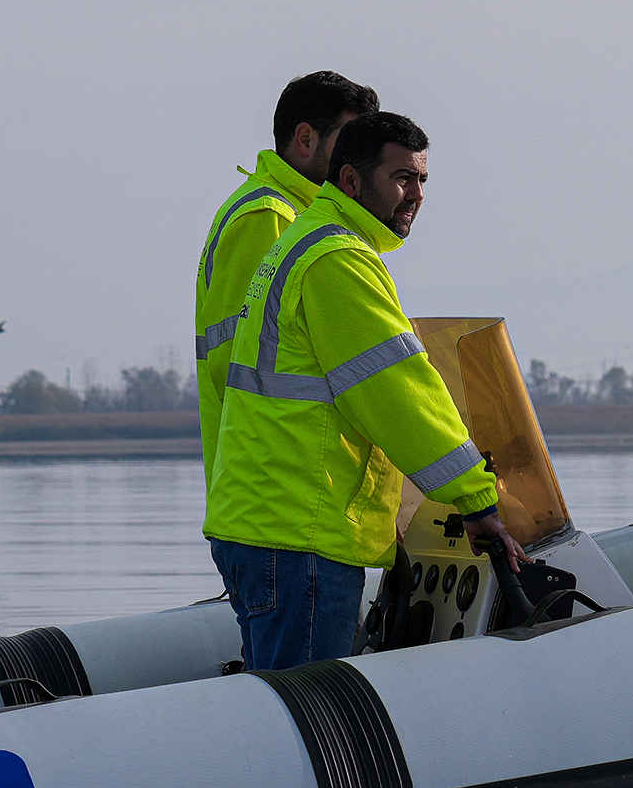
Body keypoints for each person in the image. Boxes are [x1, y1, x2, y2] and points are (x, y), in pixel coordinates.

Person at [204, 112, 522, 670]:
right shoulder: (337, 259)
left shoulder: (303, 243)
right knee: (310, 725)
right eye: (402, 178)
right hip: (298, 536)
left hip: (265, 525)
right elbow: (398, 393)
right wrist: (475, 496)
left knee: (277, 713)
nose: (416, 195)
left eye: (423, 180)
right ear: (351, 181)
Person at [194, 71, 380, 465]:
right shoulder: (271, 216)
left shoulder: (296, 214)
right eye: (349, 142)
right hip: (278, 478)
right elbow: (240, 366)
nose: (361, 159)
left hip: (286, 479)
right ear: (305, 140)